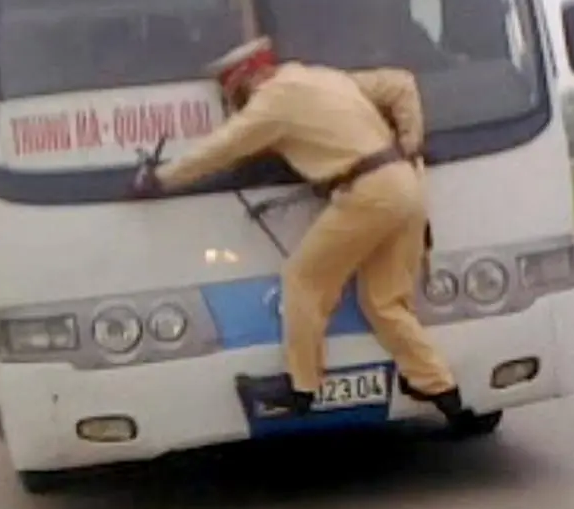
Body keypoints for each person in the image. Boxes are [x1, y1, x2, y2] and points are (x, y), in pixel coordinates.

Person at [131, 36, 464, 420]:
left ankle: (303, 387)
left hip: (366, 194)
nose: (236, 102)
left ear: (245, 79)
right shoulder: (325, 78)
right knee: (385, 301)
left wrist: (161, 179)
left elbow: (222, 148)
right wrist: (410, 140)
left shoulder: (274, 102)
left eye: (233, 92)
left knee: (303, 280)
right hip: (406, 183)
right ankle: (440, 388)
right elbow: (401, 82)